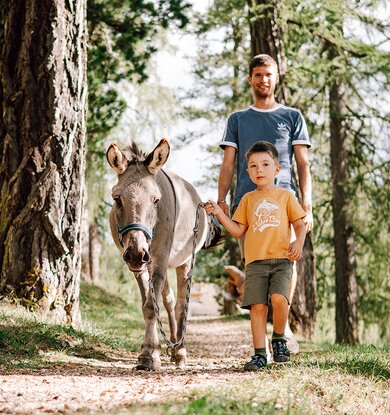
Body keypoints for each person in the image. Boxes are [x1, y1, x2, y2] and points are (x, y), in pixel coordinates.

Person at [217, 54, 313, 351]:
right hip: (247, 202)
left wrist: (307, 205)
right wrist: (221, 201)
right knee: (257, 261)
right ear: (250, 79)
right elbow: (228, 163)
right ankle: (261, 330)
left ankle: (283, 333)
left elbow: (302, 163)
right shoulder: (238, 119)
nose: (263, 80)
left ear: (276, 78)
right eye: (258, 75)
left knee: (288, 258)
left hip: (285, 202)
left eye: (268, 74)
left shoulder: (292, 117)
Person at [203, 141, 306, 370]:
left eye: (265, 164)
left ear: (277, 170)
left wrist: (298, 241)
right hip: (255, 263)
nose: (260, 170)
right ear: (248, 172)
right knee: (258, 307)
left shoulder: (286, 196)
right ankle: (260, 354)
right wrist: (219, 213)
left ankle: (279, 338)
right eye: (253, 166)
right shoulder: (248, 200)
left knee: (280, 298)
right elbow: (238, 230)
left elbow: (300, 224)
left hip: (282, 260)